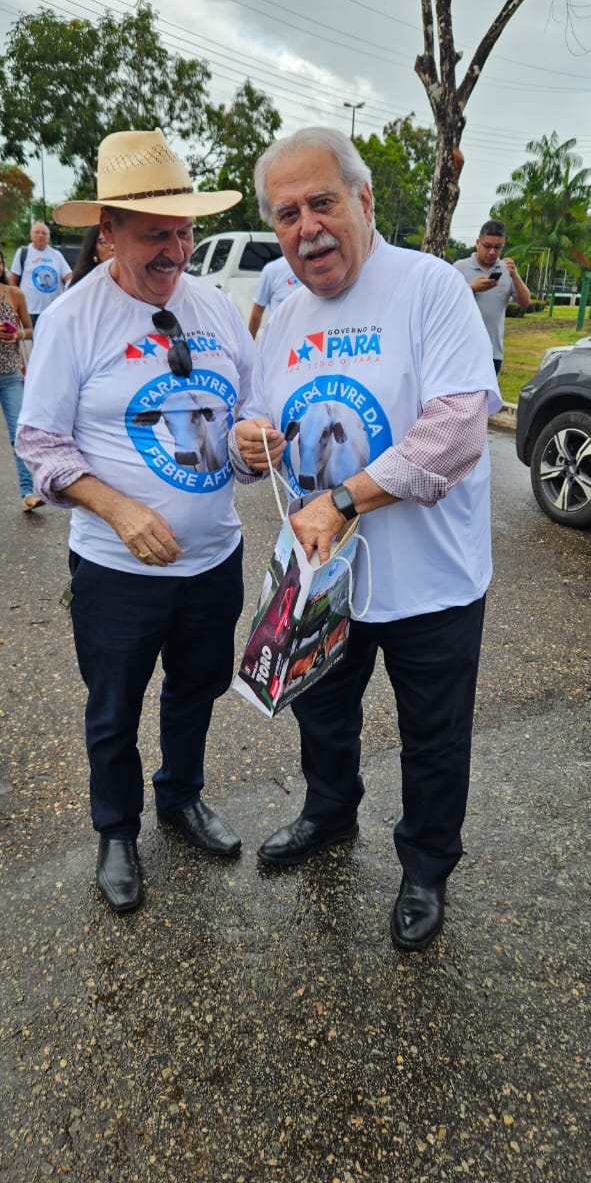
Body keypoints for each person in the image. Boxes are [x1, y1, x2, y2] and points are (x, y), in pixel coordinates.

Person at [230, 127, 502, 952]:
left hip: (431, 581)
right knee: (321, 712)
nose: (307, 227)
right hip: (325, 576)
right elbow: (259, 423)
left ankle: (424, 867)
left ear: (363, 200)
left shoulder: (428, 286)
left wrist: (346, 499)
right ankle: (328, 812)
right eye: (286, 214)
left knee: (433, 737)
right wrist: (249, 442)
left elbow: (457, 428)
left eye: (321, 203)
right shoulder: (283, 315)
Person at [16, 128, 255, 914]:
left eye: (184, 232)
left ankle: (180, 797)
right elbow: (39, 443)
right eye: (157, 234)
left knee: (197, 688)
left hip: (213, 558)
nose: (176, 250)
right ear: (109, 230)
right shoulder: (74, 318)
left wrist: (254, 444)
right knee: (113, 707)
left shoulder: (212, 304)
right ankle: (116, 830)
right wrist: (118, 509)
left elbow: (247, 409)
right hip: (117, 569)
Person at [454, 220, 530, 374]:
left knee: (487, 390)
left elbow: (525, 302)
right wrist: (472, 289)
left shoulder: (507, 271)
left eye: (497, 247)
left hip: (492, 352)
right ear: (477, 243)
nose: (492, 252)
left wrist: (515, 276)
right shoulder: (459, 268)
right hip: (461, 348)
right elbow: (446, 302)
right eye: (487, 246)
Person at [0, 248, 42, 510]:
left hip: (10, 375)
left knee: (19, 434)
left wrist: (16, 335)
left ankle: (28, 492)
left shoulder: (14, 294)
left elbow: (30, 329)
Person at [9, 221, 72, 329]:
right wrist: (16, 303)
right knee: (32, 337)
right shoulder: (23, 253)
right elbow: (13, 280)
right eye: (37, 232)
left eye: (44, 233)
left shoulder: (56, 255)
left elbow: (68, 276)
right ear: (31, 236)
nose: (40, 235)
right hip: (29, 310)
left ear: (49, 237)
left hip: (52, 309)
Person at [248, 254, 300, 339]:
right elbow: (257, 312)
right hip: (280, 340)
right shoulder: (272, 270)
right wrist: (249, 343)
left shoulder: (318, 267)